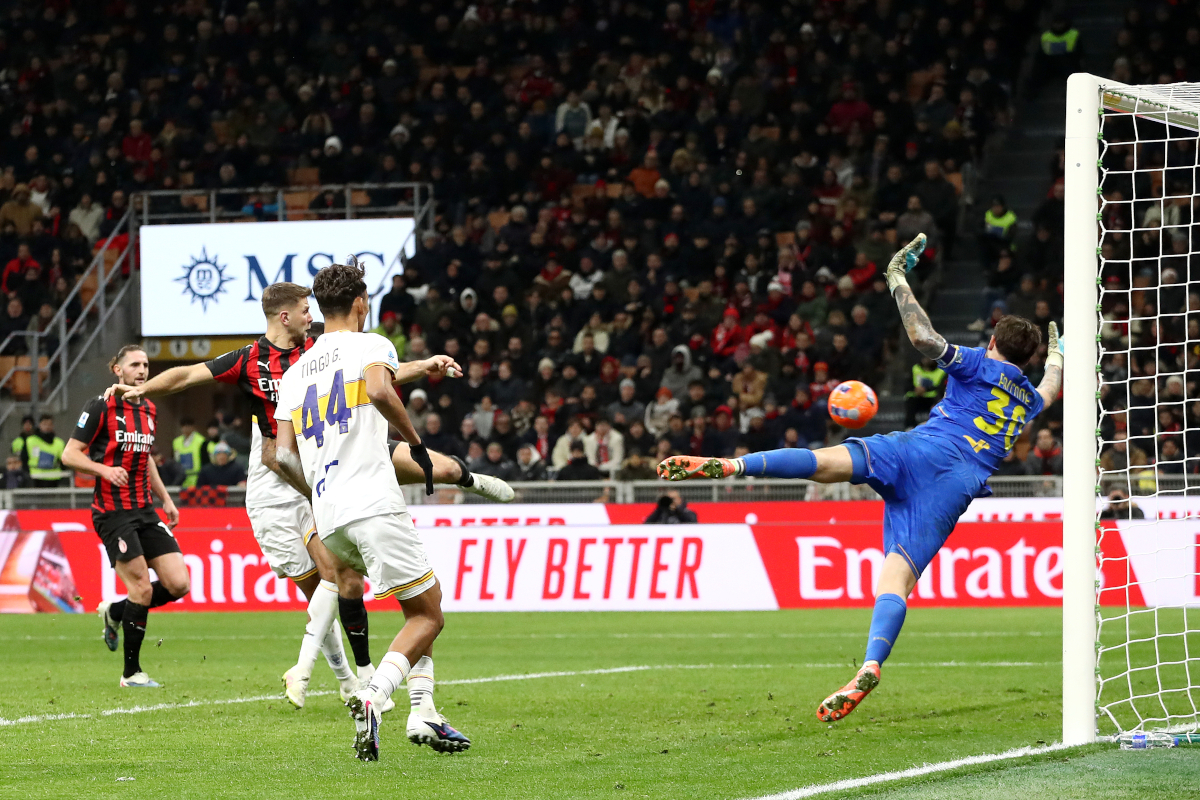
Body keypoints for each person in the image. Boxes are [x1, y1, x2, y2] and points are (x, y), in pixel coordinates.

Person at [658, 233, 1064, 723]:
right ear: (1028, 359)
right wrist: (1057, 355)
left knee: (826, 462)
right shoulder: (1028, 397)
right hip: (958, 485)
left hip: (923, 449)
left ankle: (733, 466)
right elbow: (1052, 387)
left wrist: (896, 278)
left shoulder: (979, 363)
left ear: (994, 340)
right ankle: (870, 663)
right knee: (897, 577)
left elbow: (923, 339)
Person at [272, 260, 470, 760]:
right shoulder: (372, 344)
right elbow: (380, 388)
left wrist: (316, 493)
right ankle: (374, 696)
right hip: (373, 503)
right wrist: (415, 440)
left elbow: (280, 454)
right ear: (361, 302)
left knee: (420, 602)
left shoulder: (295, 371)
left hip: (330, 516)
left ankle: (423, 709)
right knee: (428, 615)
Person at [62, 345, 189, 688]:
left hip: (145, 510)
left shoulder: (148, 407)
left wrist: (166, 499)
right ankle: (131, 673)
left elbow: (145, 457)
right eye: (135, 364)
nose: (142, 369)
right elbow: (69, 454)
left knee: (179, 584)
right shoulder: (100, 406)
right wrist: (102, 470)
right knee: (142, 588)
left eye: (146, 364)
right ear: (117, 370)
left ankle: (115, 612)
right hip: (112, 512)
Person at [24, 413, 68, 488]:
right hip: (35, 477)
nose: (47, 427)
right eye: (44, 424)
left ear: (53, 426)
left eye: (49, 424)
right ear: (39, 425)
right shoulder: (30, 441)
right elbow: (24, 458)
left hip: (54, 478)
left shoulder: (59, 442)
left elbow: (64, 461)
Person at [172, 417, 207, 488]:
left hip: (196, 477)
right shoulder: (176, 442)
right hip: (181, 478)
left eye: (188, 426)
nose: (186, 428)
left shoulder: (201, 441)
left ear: (193, 427)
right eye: (183, 426)